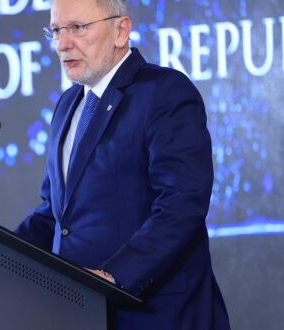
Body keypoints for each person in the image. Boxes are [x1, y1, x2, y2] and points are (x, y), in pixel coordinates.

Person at [14, 0, 231, 329]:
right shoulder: (68, 104)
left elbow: (181, 205)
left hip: (157, 315)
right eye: (56, 30)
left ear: (120, 30)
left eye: (77, 28)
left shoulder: (165, 92)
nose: (62, 43)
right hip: (80, 314)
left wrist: (113, 276)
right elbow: (55, 214)